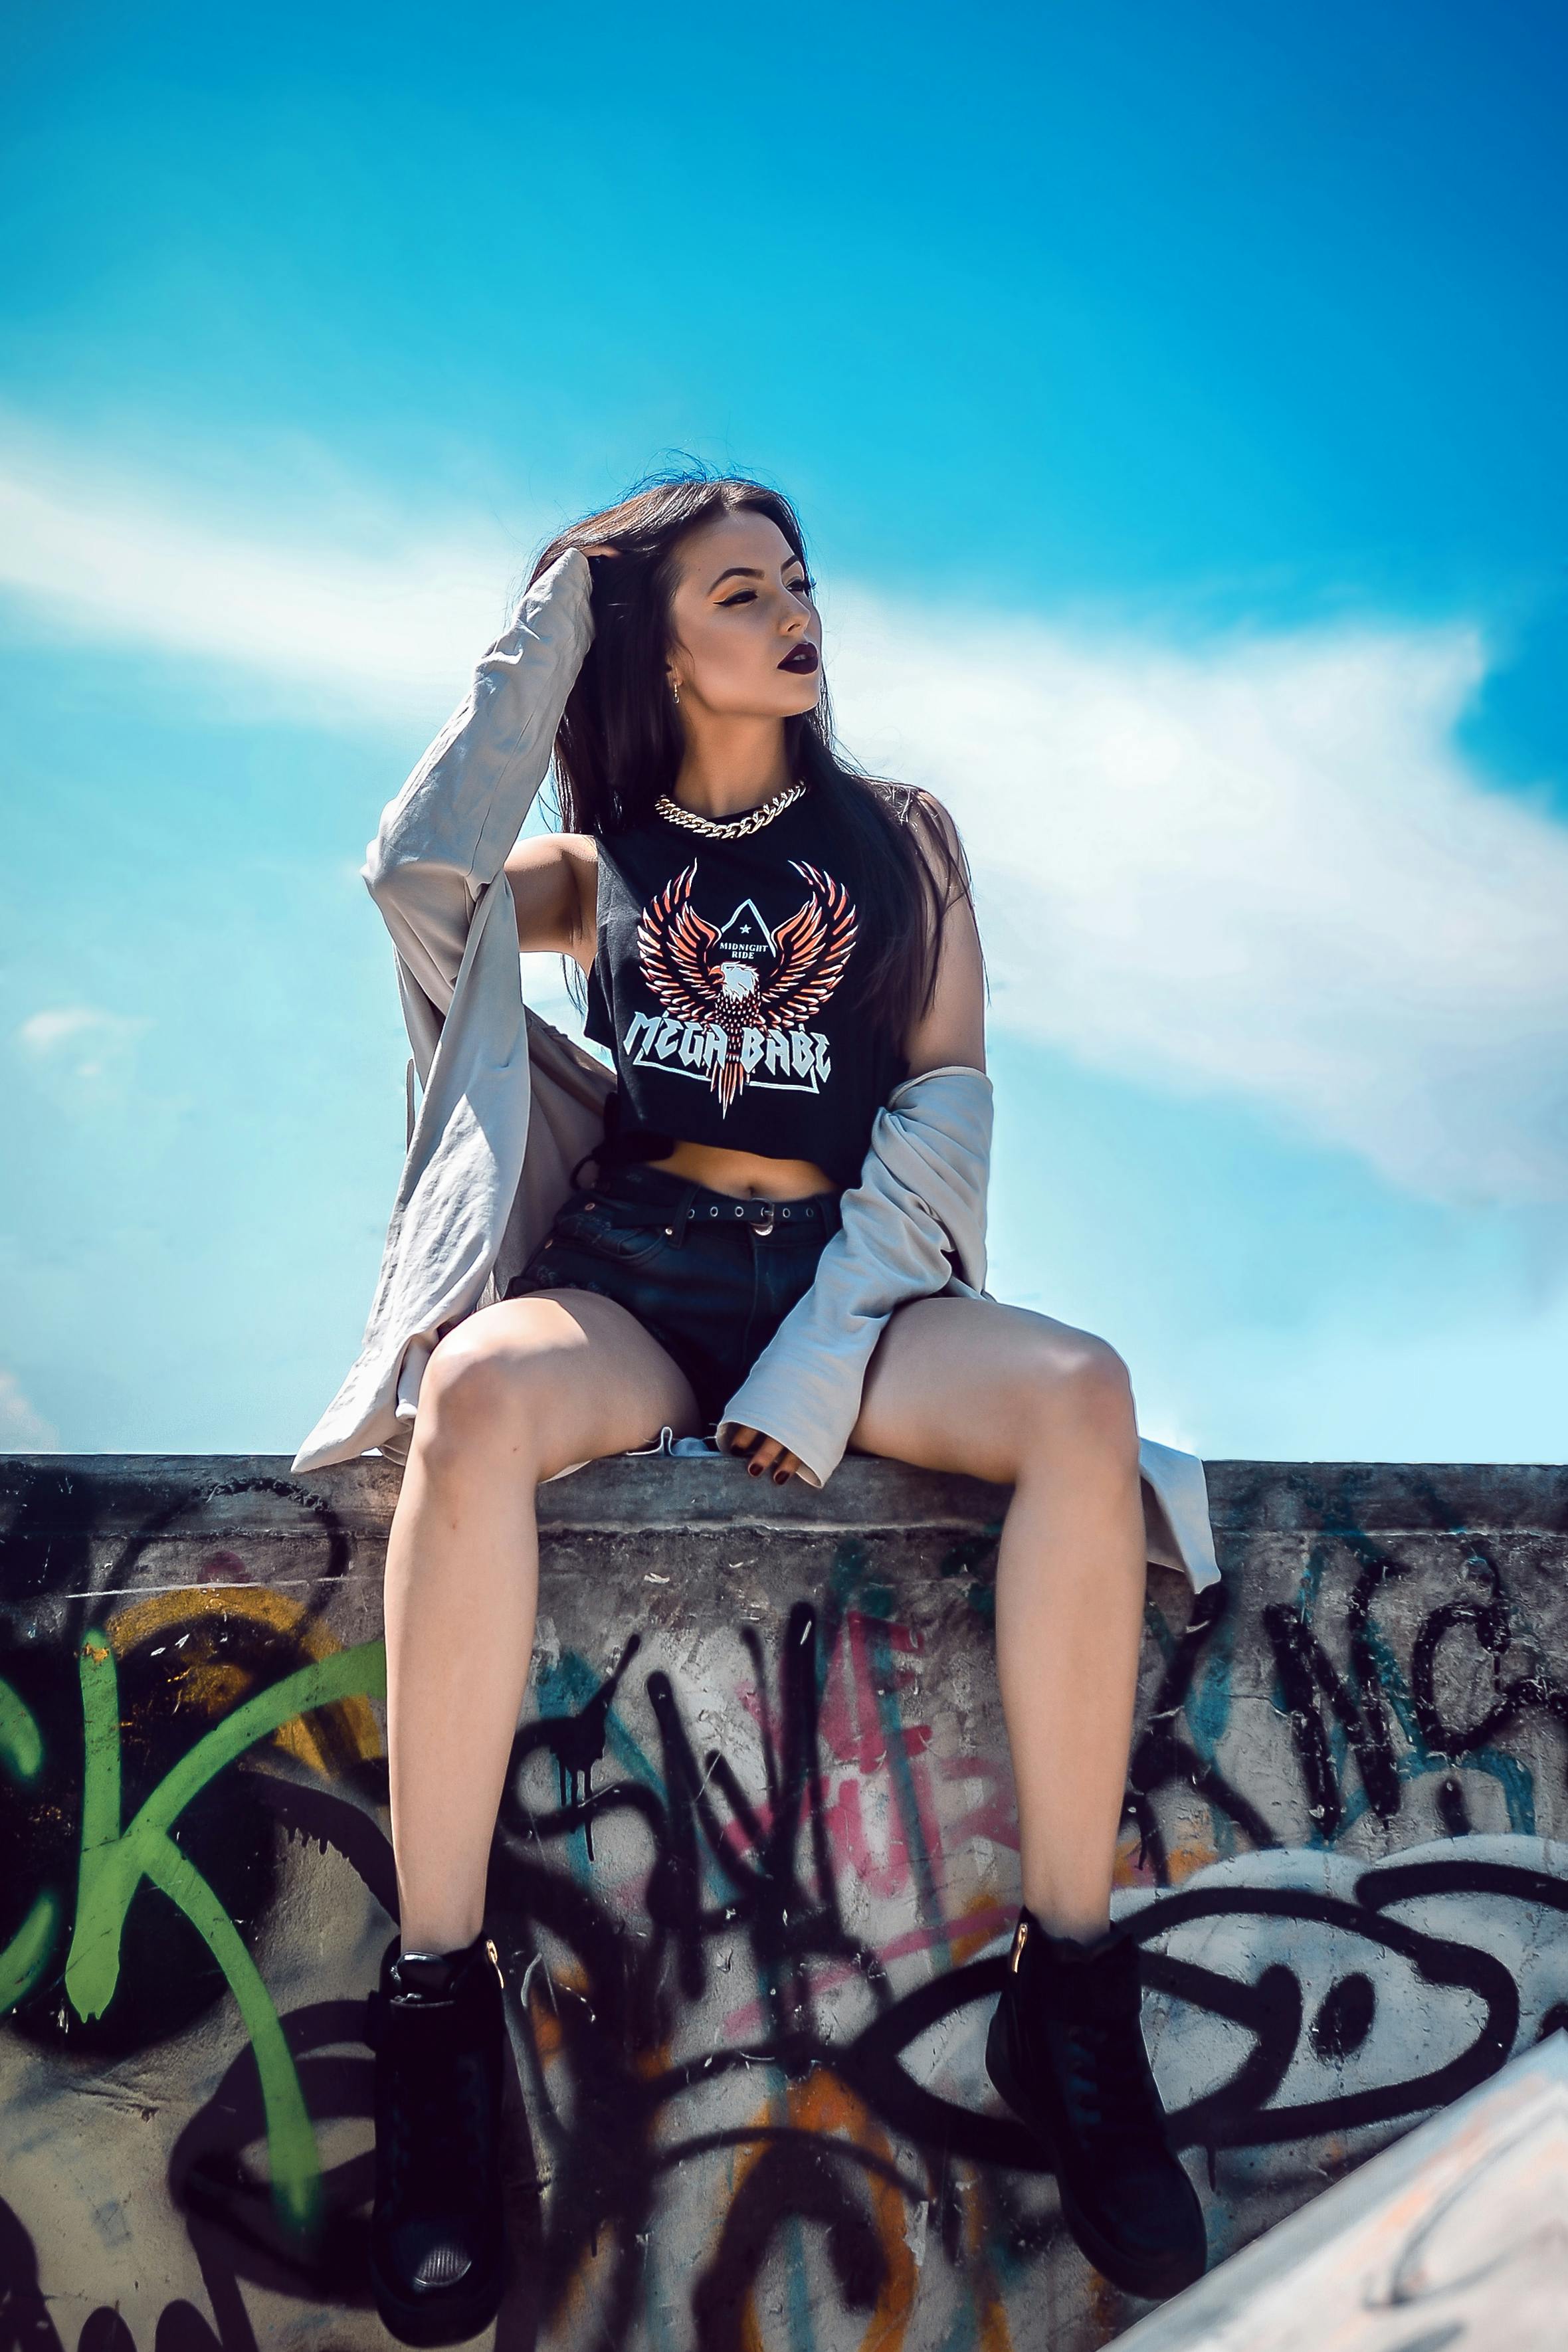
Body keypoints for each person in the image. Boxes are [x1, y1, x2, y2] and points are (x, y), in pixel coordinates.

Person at [302, 472, 1213, 2341]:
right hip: (641, 1270)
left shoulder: (907, 844)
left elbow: (944, 1110)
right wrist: (555, 612)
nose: (797, 611)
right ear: (660, 641)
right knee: (470, 1398)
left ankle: (1072, 1992)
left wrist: (817, 1355)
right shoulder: (602, 857)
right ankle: (440, 2015)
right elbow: (416, 869)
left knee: (1084, 1399)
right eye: (740, 589)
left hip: (851, 1289)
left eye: (799, 581)